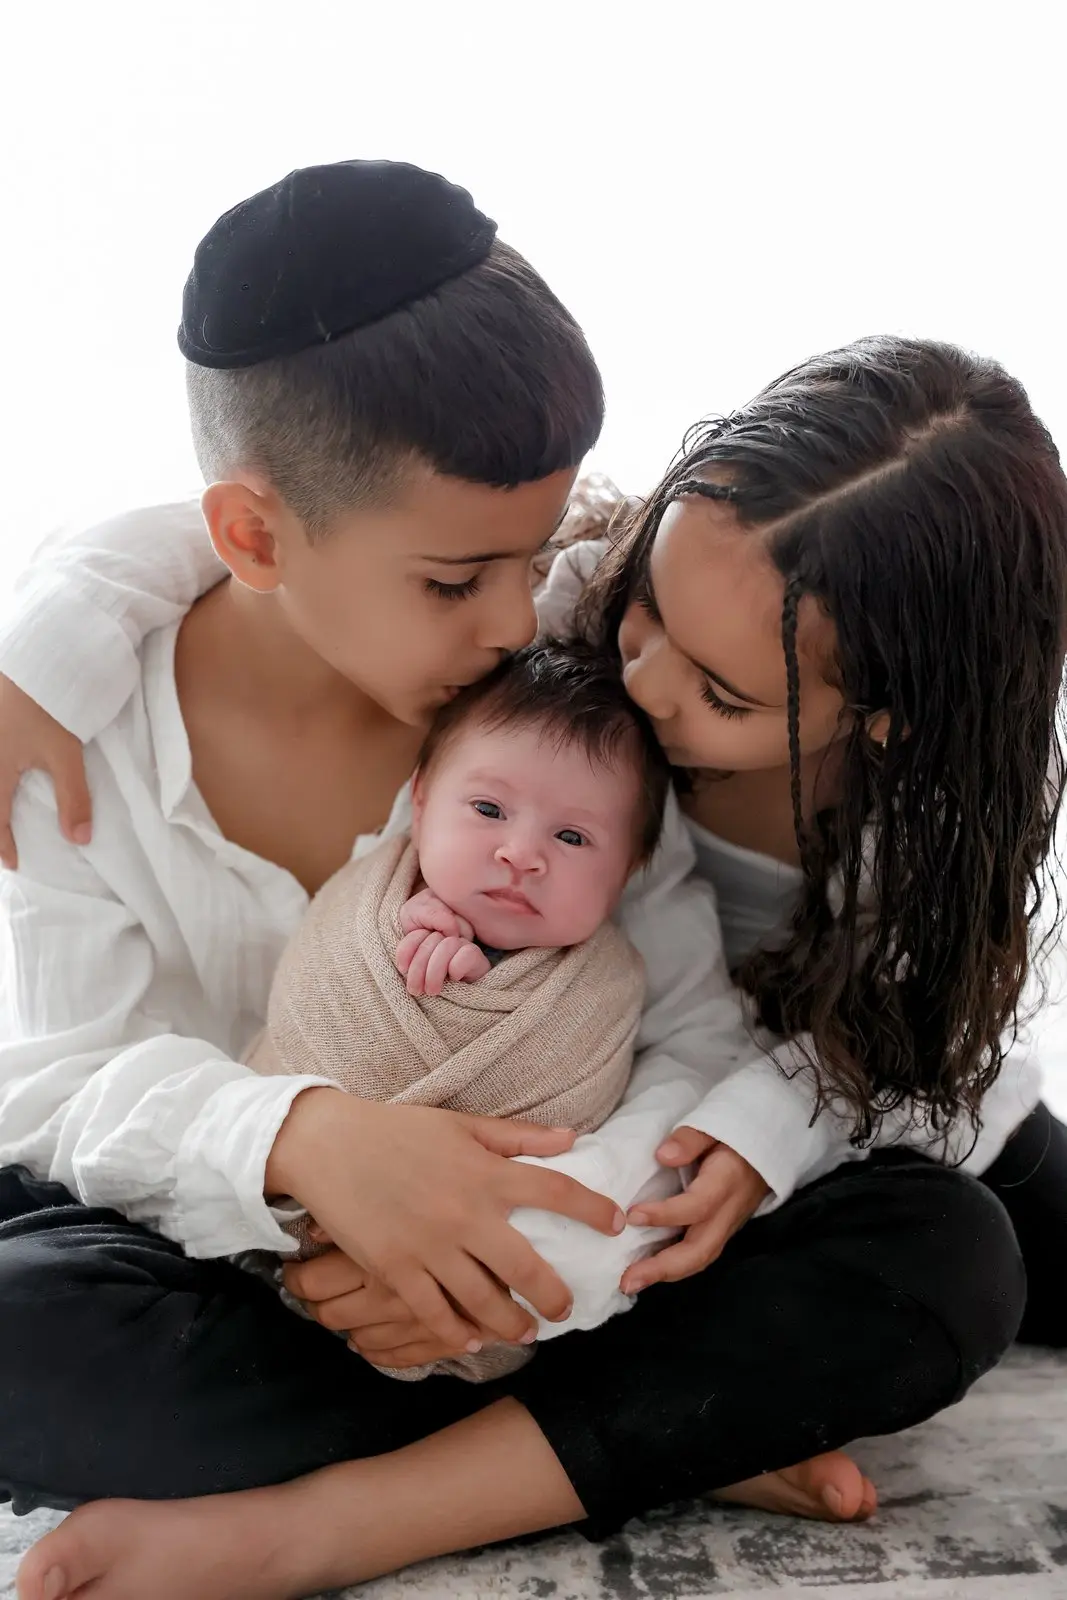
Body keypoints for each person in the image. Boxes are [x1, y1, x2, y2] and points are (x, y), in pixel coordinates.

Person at [0, 156, 1052, 1598]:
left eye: (538, 559)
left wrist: (538, 1246)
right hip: (278, 1235)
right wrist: (302, 1143)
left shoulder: (566, 685)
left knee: (944, 1243)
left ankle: (393, 1495)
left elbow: (747, 1049)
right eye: (460, 583)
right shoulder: (98, 728)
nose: (533, 620)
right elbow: (60, 1082)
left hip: (638, 1197)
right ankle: (660, 1429)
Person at [247, 639, 672, 1382]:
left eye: (571, 837)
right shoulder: (370, 907)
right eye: (486, 809)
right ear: (418, 801)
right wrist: (428, 963)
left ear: (628, 871)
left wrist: (483, 980)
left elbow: (578, 1147)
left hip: (496, 1304)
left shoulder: (609, 983)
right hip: (291, 1240)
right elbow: (303, 1037)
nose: (519, 852)